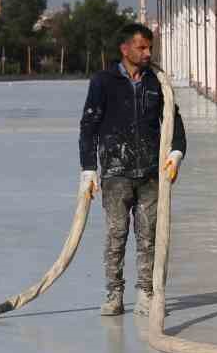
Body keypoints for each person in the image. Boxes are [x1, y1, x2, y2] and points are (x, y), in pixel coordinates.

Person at [79, 23, 187, 317]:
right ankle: (114, 294)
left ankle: (146, 294)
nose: (147, 53)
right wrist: (88, 169)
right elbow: (88, 126)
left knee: (149, 236)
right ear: (125, 49)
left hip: (151, 173)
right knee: (116, 235)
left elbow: (174, 121)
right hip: (116, 173)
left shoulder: (158, 83)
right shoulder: (104, 82)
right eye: (141, 47)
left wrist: (176, 153)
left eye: (150, 47)